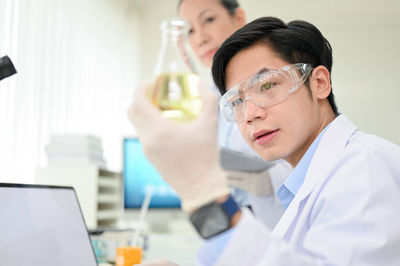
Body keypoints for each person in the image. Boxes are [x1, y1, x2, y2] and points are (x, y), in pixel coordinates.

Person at [130, 16, 400, 265]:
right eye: (236, 101)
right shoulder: (307, 182)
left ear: (319, 83)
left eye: (268, 85)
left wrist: (204, 193)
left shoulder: (364, 169)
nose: (249, 114)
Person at [177, 0, 290, 227]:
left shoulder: (274, 77)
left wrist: (265, 181)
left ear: (238, 18)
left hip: (280, 224)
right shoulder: (211, 98)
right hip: (236, 225)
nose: (200, 39)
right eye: (189, 31)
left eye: (208, 20)